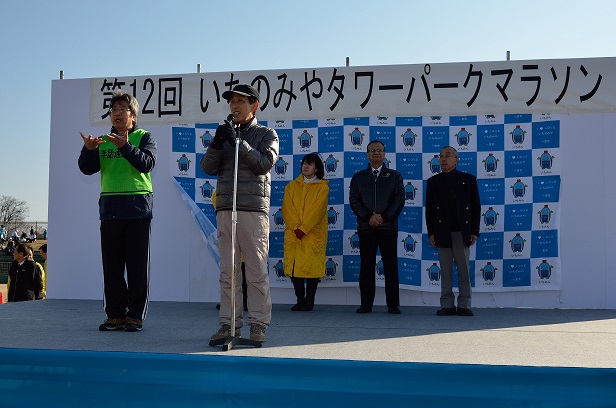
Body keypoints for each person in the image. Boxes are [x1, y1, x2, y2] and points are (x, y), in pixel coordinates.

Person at [201, 84, 279, 342]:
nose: (234, 106)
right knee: (228, 271)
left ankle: (258, 325)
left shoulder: (267, 134)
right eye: (231, 102)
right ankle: (229, 324)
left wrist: (239, 144)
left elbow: (264, 164)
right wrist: (217, 143)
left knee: (256, 271)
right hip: (226, 208)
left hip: (253, 210)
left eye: (240, 102)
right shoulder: (224, 135)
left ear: (254, 105)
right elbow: (207, 168)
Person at [78, 90, 157, 332]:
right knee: (111, 268)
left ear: (133, 117)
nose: (117, 114)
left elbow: (147, 163)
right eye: (113, 111)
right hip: (110, 211)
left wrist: (125, 146)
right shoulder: (102, 140)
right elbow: (86, 169)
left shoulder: (144, 137)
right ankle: (115, 315)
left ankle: (135, 315)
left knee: (136, 268)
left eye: (122, 110)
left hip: (137, 210)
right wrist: (89, 151)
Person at [349, 140, 405, 314]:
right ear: (367, 154)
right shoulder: (358, 177)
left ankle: (393, 304)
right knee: (366, 266)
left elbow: (399, 199)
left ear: (384, 154)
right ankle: (366, 304)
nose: (376, 153)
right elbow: (354, 201)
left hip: (388, 227)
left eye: (379, 150)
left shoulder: (395, 176)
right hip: (366, 227)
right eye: (372, 150)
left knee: (390, 266)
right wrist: (368, 218)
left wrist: (384, 217)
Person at [425, 146, 481, 317]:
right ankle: (447, 304)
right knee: (446, 270)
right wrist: (431, 233)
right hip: (442, 232)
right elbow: (430, 211)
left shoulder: (468, 180)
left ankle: (464, 304)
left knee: (463, 270)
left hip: (461, 232)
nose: (443, 159)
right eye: (441, 156)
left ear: (457, 159)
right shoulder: (433, 181)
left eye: (448, 156)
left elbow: (475, 208)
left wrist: (474, 231)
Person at [282, 153, 329, 311]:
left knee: (312, 269)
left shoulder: (323, 187)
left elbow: (318, 210)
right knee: (295, 269)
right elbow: (287, 209)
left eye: (309, 164)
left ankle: (309, 301)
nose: (305, 166)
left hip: (312, 234)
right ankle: (300, 300)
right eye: (304, 163)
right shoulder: (291, 186)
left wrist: (304, 228)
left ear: (317, 168)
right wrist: (296, 227)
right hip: (294, 233)